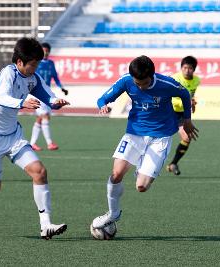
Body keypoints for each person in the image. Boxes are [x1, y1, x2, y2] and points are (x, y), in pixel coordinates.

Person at [0, 37, 70, 240]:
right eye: (33, 64)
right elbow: (2, 97)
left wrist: (56, 101)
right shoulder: (8, 74)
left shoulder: (32, 77)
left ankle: (45, 225)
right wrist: (22, 102)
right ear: (19, 61)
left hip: (13, 137)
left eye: (37, 64)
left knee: (39, 172)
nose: (35, 68)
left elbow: (47, 93)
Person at [91, 55, 198, 230]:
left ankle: (142, 167)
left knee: (141, 186)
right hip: (134, 134)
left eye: (144, 83)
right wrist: (102, 105)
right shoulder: (127, 81)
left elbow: (184, 94)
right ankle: (113, 213)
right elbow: (103, 99)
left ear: (152, 75)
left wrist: (187, 120)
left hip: (160, 137)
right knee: (116, 173)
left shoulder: (166, 84)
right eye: (137, 83)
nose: (140, 86)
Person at [30, 42, 68, 151]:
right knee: (45, 116)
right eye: (43, 50)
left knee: (40, 118)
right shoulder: (36, 63)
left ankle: (32, 143)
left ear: (49, 52)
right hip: (37, 93)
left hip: (47, 94)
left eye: (47, 50)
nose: (45, 52)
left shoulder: (51, 63)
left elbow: (55, 77)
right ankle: (50, 143)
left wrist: (62, 88)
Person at [166, 56, 201, 175]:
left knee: (187, 137)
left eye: (190, 68)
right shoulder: (175, 79)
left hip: (182, 113)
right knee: (158, 137)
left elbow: (191, 95)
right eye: (184, 67)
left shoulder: (196, 80)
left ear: (194, 69)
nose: (187, 70)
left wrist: (192, 102)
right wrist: (186, 102)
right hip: (169, 110)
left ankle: (173, 164)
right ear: (181, 68)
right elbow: (168, 97)